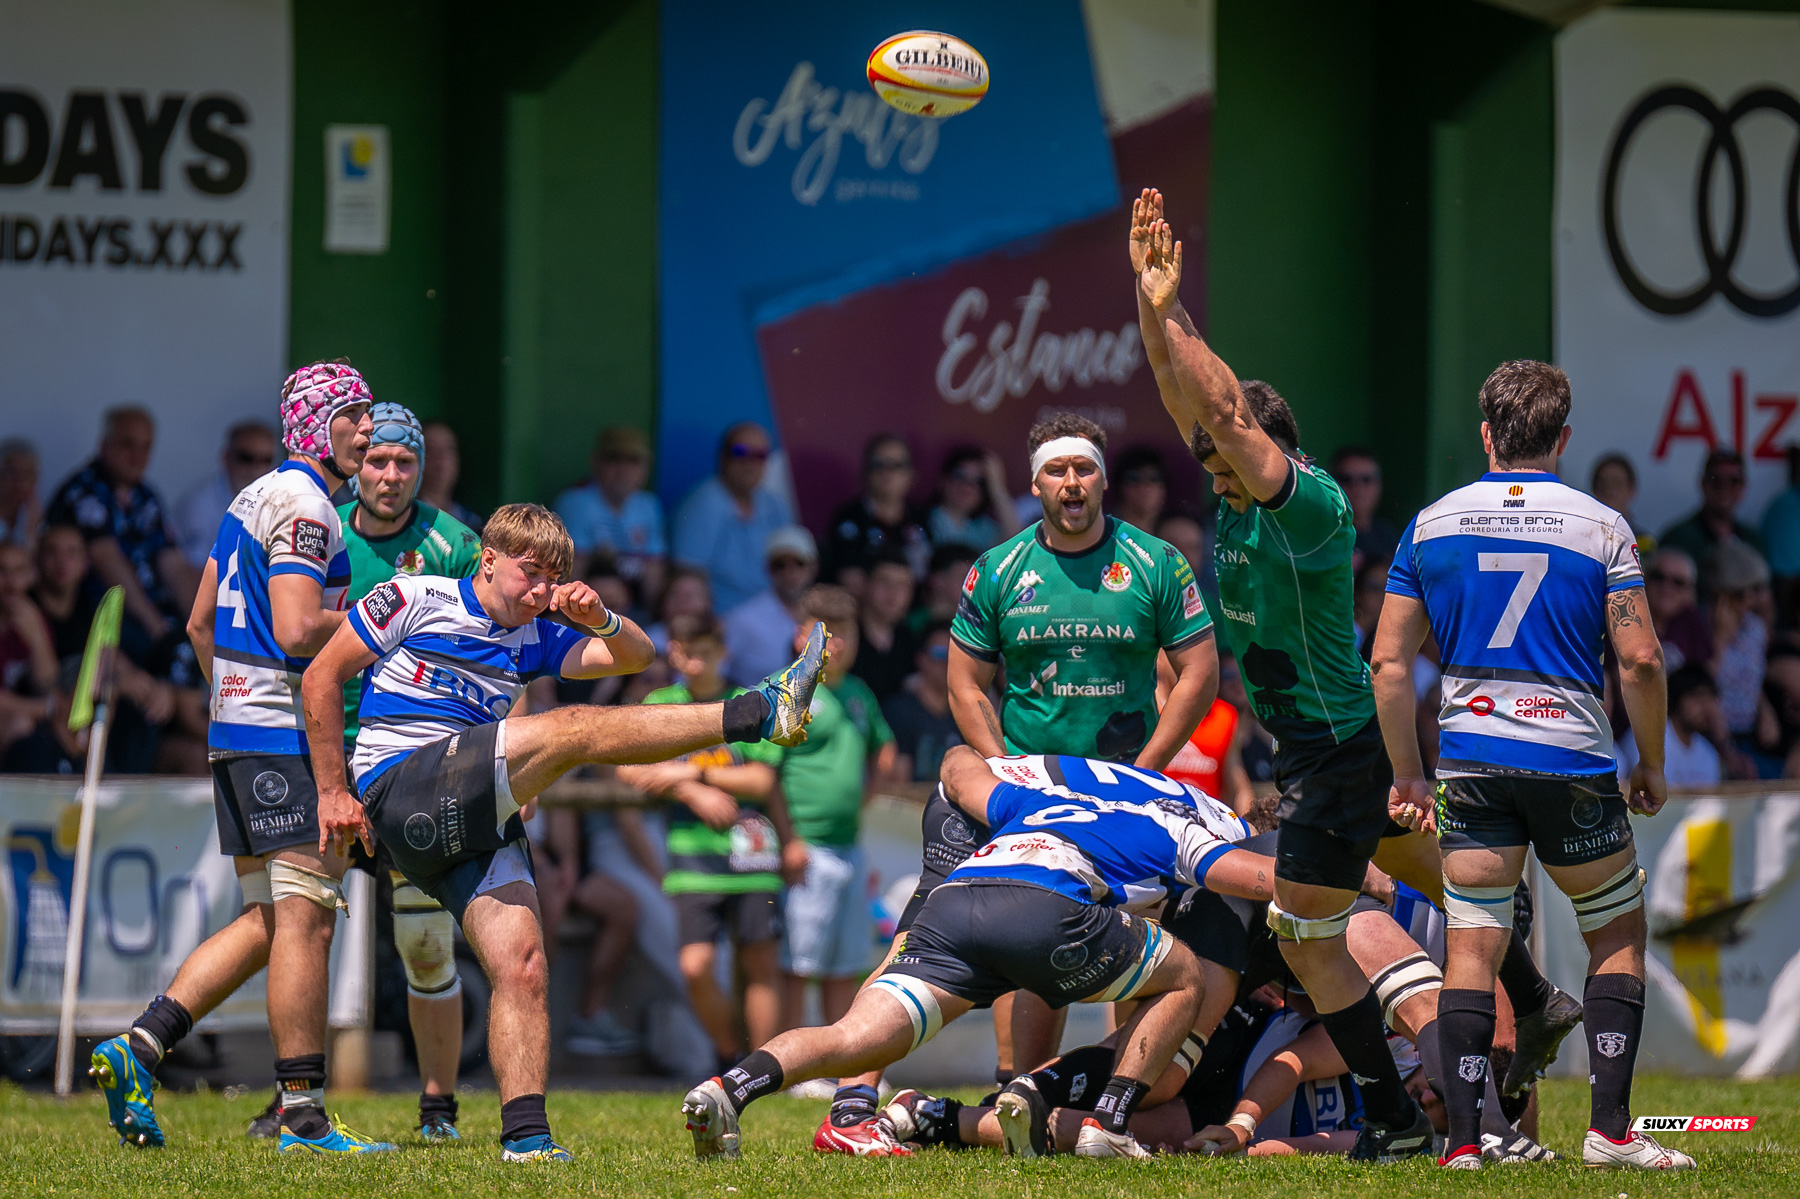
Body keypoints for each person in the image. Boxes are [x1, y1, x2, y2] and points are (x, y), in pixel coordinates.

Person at [301, 502, 830, 1162]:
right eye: (531, 573)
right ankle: (761, 709)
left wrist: (600, 617)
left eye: (554, 578)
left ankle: (525, 1136)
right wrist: (330, 790)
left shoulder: (536, 633)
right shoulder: (414, 594)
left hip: (467, 809)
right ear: (488, 558)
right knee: (574, 730)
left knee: (522, 964)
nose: (543, 591)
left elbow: (633, 657)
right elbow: (321, 675)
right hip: (399, 784)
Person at [1131, 188, 1434, 1160]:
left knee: (1325, 935)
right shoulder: (1236, 493)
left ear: (1268, 448)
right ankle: (1513, 1010)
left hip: (1338, 750)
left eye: (1226, 458)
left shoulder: (1303, 504)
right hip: (1319, 752)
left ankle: (1411, 1107)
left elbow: (1214, 402)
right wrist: (1150, 301)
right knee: (1418, 903)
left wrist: (1181, 310)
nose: (1208, 469)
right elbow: (1190, 401)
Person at [1374, 358, 1691, 1171]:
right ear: (1563, 437)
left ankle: (1463, 1142)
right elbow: (1643, 658)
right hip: (1571, 759)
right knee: (1615, 928)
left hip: (1471, 760)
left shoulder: (1430, 524)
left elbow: (1387, 662)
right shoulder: (1602, 526)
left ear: (1486, 433)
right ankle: (1611, 1129)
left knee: (1472, 946)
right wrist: (1649, 759)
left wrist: (1410, 773)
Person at [85, 363, 384, 1153]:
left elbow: (196, 623)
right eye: (355, 415)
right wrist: (377, 617)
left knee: (272, 920)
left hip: (237, 731)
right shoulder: (310, 504)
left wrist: (234, 700)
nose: (367, 429)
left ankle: (139, 1045)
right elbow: (293, 629)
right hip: (281, 735)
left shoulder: (250, 497)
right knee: (308, 918)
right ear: (319, 423)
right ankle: (304, 1115)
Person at [681, 746, 1234, 1161]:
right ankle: (866, 1107)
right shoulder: (1208, 833)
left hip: (985, 839)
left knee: (882, 1012)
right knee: (1161, 967)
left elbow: (957, 757)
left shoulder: (1132, 795)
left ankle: (729, 1088)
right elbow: (1253, 882)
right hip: (995, 834)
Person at [938, 410, 1218, 1120]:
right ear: (1035, 483)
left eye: (1085, 469)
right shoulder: (997, 568)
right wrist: (1004, 771)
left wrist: (1151, 770)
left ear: (1102, 478)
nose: (1073, 483)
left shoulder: (1156, 561)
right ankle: (1017, 1089)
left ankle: (1112, 1094)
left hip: (1129, 786)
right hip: (1034, 788)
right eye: (1058, 470)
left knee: (1138, 937)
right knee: (1034, 939)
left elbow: (1200, 673)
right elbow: (964, 683)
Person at [237, 402, 482, 1141]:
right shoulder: (321, 523)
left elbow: (505, 643)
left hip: (417, 764)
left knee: (424, 941)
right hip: (323, 759)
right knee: (301, 925)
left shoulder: (454, 542)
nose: (389, 474)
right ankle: (295, 1100)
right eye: (377, 459)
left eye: (404, 461)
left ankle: (437, 1109)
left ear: (422, 468)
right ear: (358, 461)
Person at [617, 610, 805, 1074]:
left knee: (760, 965)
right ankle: (728, 1057)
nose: (698, 663)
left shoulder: (746, 701)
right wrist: (690, 790)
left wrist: (691, 770)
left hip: (752, 855)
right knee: (695, 966)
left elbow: (762, 779)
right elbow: (623, 764)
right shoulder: (662, 702)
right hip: (691, 860)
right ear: (675, 653)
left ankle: (761, 1072)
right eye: (689, 652)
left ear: (724, 653)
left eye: (707, 652)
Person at [777, 585, 894, 1034]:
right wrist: (789, 839)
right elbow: (767, 774)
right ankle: (785, 1072)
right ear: (799, 636)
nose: (838, 644)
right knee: (798, 966)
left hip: (849, 845)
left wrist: (865, 794)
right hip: (805, 849)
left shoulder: (859, 693)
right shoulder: (788, 690)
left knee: (844, 966)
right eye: (827, 633)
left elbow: (886, 748)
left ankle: (834, 1064)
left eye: (846, 633)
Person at [46, 407, 198, 644]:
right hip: (104, 618)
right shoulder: (84, 492)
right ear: (104, 445)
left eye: (146, 447)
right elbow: (109, 564)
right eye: (128, 444)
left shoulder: (146, 495)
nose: (138, 456)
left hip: (156, 611)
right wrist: (158, 629)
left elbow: (172, 563)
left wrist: (197, 626)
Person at [672, 422, 794, 615]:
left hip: (773, 615)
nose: (750, 463)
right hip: (723, 619)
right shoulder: (704, 503)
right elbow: (690, 575)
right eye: (740, 452)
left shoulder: (774, 504)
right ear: (723, 457)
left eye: (760, 455)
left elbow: (793, 564)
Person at [554, 426, 666, 605]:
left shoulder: (648, 506)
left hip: (633, 609)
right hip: (584, 607)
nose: (623, 469)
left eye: (633, 461)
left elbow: (654, 572)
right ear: (596, 462)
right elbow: (569, 578)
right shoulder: (576, 502)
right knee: (607, 589)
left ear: (646, 467)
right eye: (614, 459)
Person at [821, 434, 931, 593]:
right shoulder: (849, 518)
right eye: (878, 464)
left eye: (897, 465)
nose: (887, 472)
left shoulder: (920, 518)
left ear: (910, 475)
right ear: (865, 472)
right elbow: (850, 582)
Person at [176, 421, 279, 567]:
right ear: (226, 458)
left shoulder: (281, 503)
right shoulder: (199, 506)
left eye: (265, 460)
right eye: (246, 458)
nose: (256, 469)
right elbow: (194, 575)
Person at [723, 526, 815, 689]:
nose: (789, 572)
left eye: (799, 563)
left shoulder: (824, 614)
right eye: (780, 565)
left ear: (814, 567)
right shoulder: (742, 619)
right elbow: (718, 671)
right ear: (768, 569)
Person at [1659, 448, 1761, 594]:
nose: (1724, 487)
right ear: (1702, 483)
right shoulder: (1677, 539)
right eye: (1715, 479)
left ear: (1743, 487)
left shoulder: (1753, 540)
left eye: (1733, 481)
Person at [1616, 664, 1722, 789]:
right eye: (1696, 697)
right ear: (1676, 697)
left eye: (1710, 698)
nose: (1705, 707)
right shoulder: (1646, 739)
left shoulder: (1708, 754)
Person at [882, 622, 962, 782]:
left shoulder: (964, 716)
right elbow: (898, 784)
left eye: (954, 653)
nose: (947, 661)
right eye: (939, 653)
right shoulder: (899, 711)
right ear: (921, 659)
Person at [850, 550, 917, 703]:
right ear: (865, 584)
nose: (893, 592)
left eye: (902, 585)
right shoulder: (844, 636)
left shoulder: (910, 641)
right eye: (884, 581)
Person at [927, 446, 1018, 552]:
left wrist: (998, 488)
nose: (967, 487)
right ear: (943, 480)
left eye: (979, 481)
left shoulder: (982, 528)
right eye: (959, 476)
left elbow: (1015, 542)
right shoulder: (924, 520)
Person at [1642, 547, 1713, 672]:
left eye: (1678, 582)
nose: (1667, 587)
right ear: (1645, 580)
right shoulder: (1626, 617)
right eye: (1659, 577)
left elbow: (1704, 676)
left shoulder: (1692, 622)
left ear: (1690, 592)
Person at [1330, 447, 1399, 571]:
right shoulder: (1323, 533)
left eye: (1366, 479)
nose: (1357, 487)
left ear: (1379, 485)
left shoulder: (1388, 535)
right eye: (1346, 479)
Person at [419, 420, 484, 533]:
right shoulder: (403, 521)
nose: (440, 458)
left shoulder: (475, 522)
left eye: (449, 448)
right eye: (429, 449)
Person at [1591, 452, 1655, 558]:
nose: (1610, 491)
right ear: (1593, 490)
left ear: (1631, 490)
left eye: (1617, 484)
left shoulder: (1645, 543)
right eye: (1603, 484)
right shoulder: (1582, 539)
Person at [1111, 446, 1169, 534]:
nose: (1144, 486)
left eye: (1153, 478)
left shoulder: (1174, 534)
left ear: (1164, 488)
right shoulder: (1104, 530)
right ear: (1120, 485)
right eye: (1133, 478)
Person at [0, 438, 42, 551]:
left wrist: (32, 531)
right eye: (12, 472)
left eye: (27, 473)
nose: (20, 480)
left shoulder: (39, 520)